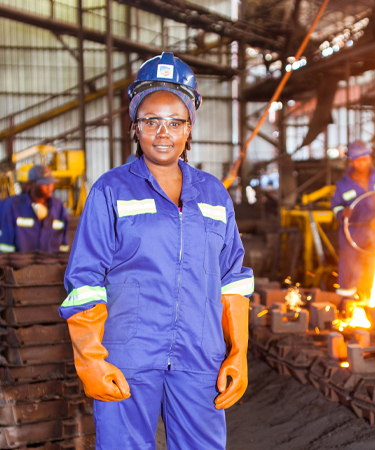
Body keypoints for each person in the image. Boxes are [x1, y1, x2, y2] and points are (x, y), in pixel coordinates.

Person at [58, 52, 254, 450]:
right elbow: (85, 282)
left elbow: (233, 279)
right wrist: (91, 358)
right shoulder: (110, 191)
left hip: (200, 359)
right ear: (135, 126)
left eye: (174, 121)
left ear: (189, 128)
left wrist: (239, 352)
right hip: (126, 358)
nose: (162, 132)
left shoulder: (215, 195)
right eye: (151, 121)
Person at [331, 140, 375, 301]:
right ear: (352, 161)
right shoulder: (343, 184)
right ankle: (346, 310)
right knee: (348, 275)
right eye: (357, 160)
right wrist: (343, 212)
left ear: (369, 158)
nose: (361, 163)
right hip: (353, 237)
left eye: (364, 158)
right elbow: (335, 208)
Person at [0, 164, 69, 253]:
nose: (49, 187)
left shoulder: (58, 207)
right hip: (22, 265)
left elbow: (64, 243)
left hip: (52, 265)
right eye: (44, 183)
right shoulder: (14, 207)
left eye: (51, 183)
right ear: (31, 184)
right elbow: (6, 245)